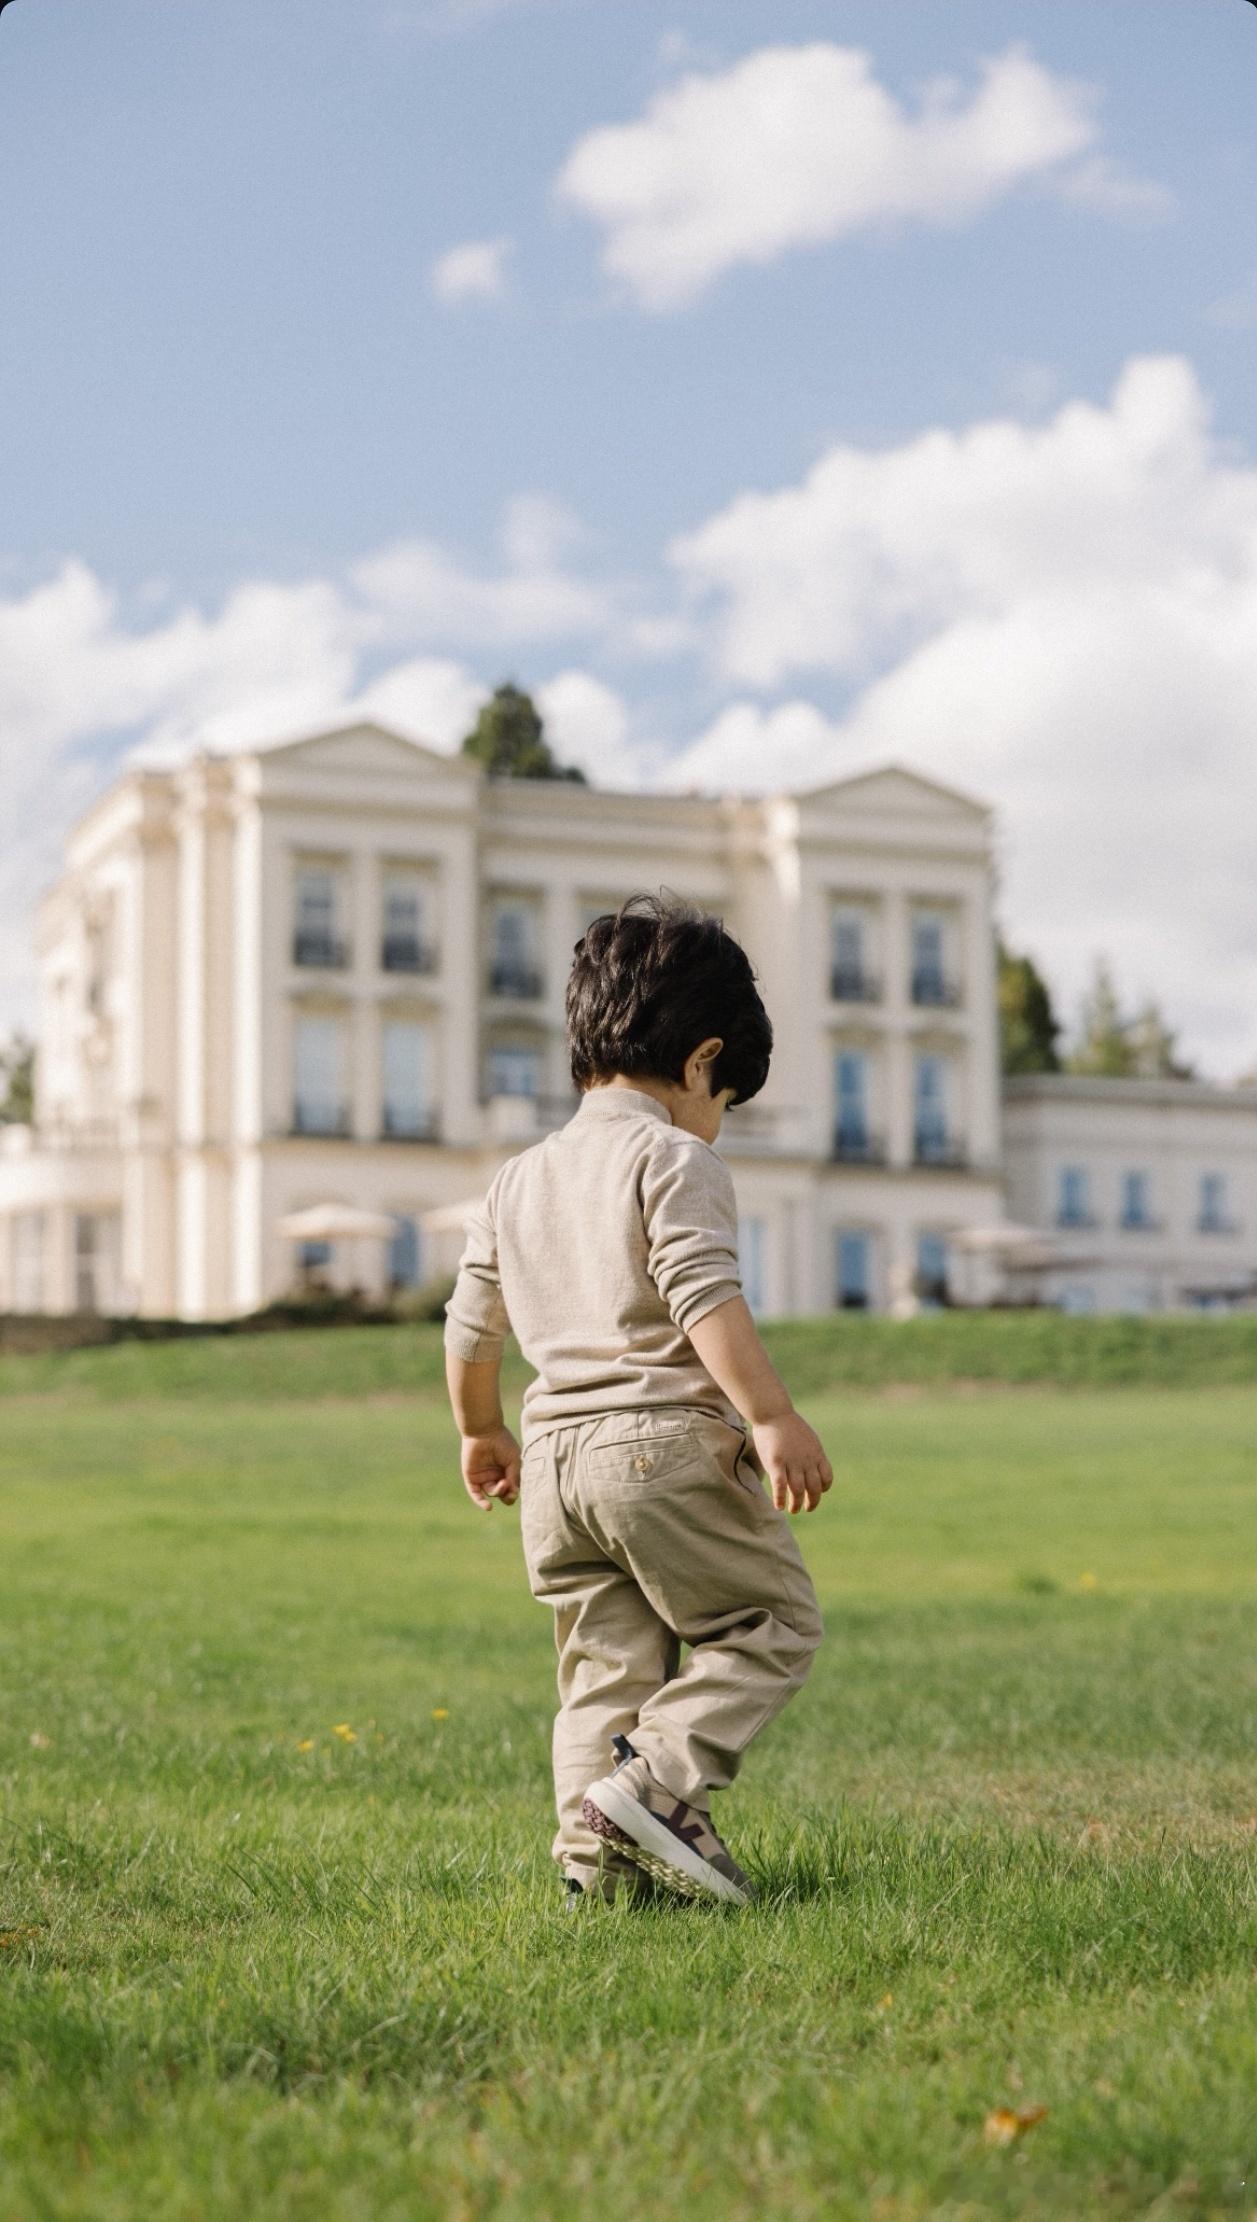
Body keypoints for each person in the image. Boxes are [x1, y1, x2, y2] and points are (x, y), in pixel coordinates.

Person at [443, 894, 831, 1907]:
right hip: (659, 1447)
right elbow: (705, 1291)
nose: (719, 1123)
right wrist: (772, 1414)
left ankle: (593, 1871)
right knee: (770, 1620)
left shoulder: (515, 1180)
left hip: (553, 1469)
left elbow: (469, 1330)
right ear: (703, 1061)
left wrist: (480, 1427)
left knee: (603, 1674)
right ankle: (652, 1791)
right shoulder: (675, 1156)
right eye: (725, 1098)